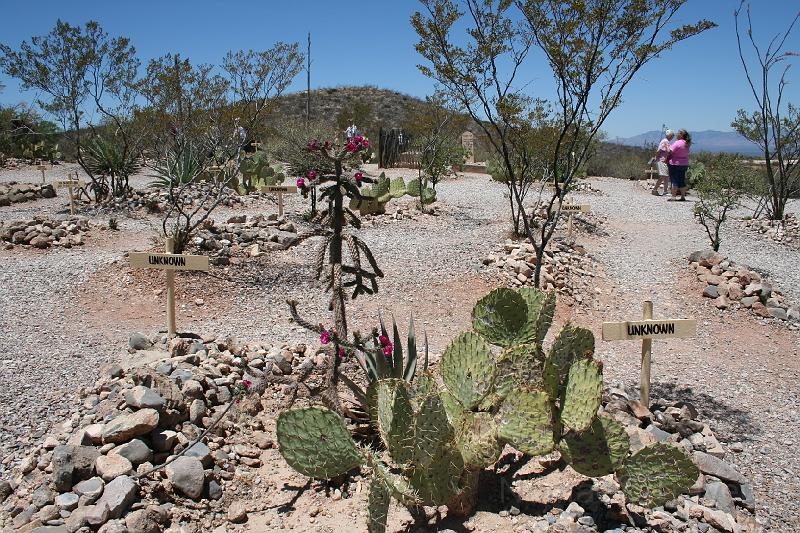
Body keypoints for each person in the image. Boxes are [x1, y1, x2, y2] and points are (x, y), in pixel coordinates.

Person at [667, 129, 691, 201]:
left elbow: (670, 151)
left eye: (678, 133)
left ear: (681, 135)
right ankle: (682, 196)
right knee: (682, 180)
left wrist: (667, 147)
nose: (676, 134)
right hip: (684, 164)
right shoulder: (687, 143)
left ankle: (673, 196)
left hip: (675, 163)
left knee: (674, 180)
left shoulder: (677, 143)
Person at [650, 129, 673, 196]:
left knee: (666, 176)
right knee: (663, 176)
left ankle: (665, 191)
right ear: (670, 135)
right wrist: (656, 158)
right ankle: (654, 190)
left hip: (664, 161)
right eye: (672, 135)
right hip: (661, 160)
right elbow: (659, 150)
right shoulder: (665, 141)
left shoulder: (666, 141)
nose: (672, 137)